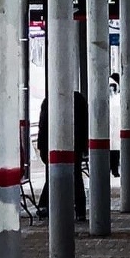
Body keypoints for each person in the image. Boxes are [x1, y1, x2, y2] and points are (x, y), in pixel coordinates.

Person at [37, 89, 89, 221]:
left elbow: (42, 125)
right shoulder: (78, 100)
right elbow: (84, 125)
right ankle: (80, 210)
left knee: (53, 175)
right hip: (74, 145)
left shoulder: (49, 101)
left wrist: (41, 146)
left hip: (51, 145)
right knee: (76, 175)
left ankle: (45, 205)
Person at [108, 72, 122, 177]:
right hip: (108, 128)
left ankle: (115, 170)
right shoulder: (106, 99)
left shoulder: (118, 98)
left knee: (116, 151)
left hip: (116, 127)